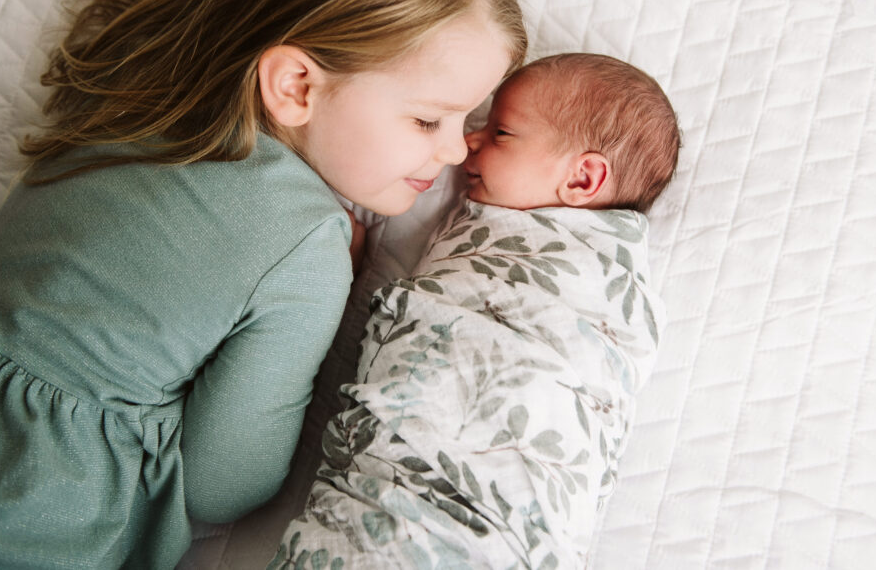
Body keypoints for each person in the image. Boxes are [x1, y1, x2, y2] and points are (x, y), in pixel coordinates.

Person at [0, 0, 527, 567]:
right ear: (295, 85)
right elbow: (224, 481)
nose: (457, 150)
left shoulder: (137, 89)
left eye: (469, 121)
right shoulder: (305, 242)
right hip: (21, 507)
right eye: (427, 120)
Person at [270, 53, 680, 569]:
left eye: (502, 132)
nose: (469, 142)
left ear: (582, 180)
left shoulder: (601, 282)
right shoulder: (487, 224)